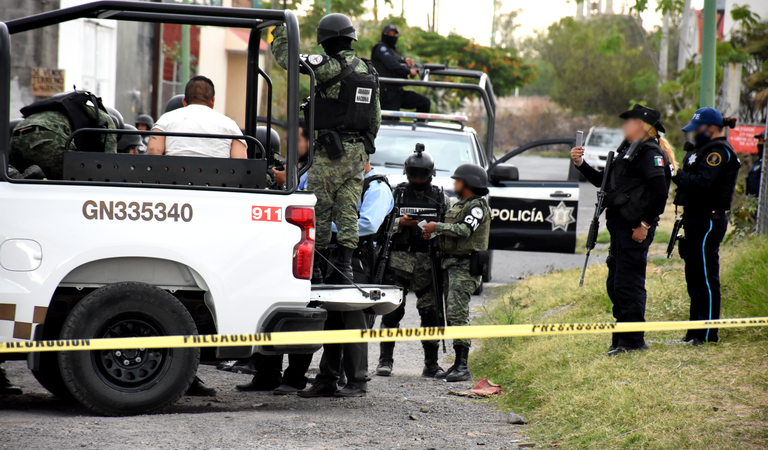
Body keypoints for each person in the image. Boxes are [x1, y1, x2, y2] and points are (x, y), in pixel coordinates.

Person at [272, 13, 381, 286]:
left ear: (326, 41)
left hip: (330, 153)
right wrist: (364, 148)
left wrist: (280, 32)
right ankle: (345, 269)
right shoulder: (369, 70)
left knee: (318, 210)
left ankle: (318, 270)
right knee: (348, 211)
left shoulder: (328, 66)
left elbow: (287, 59)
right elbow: (375, 117)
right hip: (357, 155)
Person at [571, 104, 675, 356]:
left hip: (635, 228)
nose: (623, 126)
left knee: (629, 284)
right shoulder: (629, 151)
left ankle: (632, 342)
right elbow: (604, 182)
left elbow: (660, 192)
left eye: (627, 122)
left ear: (640, 124)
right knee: (617, 283)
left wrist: (645, 225)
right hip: (619, 226)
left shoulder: (650, 153)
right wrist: (581, 163)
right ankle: (620, 340)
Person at [298, 160, 394, 399]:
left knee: (353, 321)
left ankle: (357, 381)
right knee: (331, 320)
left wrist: (324, 227)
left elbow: (369, 224)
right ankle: (327, 380)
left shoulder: (376, 187)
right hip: (334, 256)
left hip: (357, 260)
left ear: (364, 158)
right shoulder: (345, 183)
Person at [375, 147, 450, 379]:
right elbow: (379, 223)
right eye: (413, 176)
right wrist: (400, 223)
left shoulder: (441, 197)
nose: (417, 180)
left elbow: (449, 227)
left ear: (430, 174)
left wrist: (434, 231)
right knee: (392, 311)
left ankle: (431, 364)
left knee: (430, 313)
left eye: (422, 176)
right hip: (398, 261)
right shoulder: (395, 194)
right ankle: (385, 361)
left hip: (428, 263)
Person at [673, 108, 740, 345]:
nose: (694, 134)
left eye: (698, 129)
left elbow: (703, 183)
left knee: (705, 279)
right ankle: (694, 332)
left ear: (711, 128)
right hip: (694, 219)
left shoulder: (719, 152)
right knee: (694, 278)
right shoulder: (702, 149)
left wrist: (675, 173)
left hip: (708, 220)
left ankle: (708, 334)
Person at [421, 164, 490, 381]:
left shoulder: (477, 207)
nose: (454, 183)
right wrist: (434, 234)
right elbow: (452, 232)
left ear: (468, 183)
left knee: (458, 314)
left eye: (458, 180)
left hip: (465, 266)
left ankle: (463, 366)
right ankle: (457, 365)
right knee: (452, 315)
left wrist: (437, 227)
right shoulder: (460, 205)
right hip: (451, 264)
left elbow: (464, 230)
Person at [9, 91, 117, 180]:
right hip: (48, 135)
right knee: (79, 175)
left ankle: (17, 175)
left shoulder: (61, 108)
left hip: (17, 135)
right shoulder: (106, 120)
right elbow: (110, 162)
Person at [147, 76, 247, 159]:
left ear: (184, 101)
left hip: (175, 176)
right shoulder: (230, 124)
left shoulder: (166, 119)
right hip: (217, 177)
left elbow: (153, 150)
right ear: (212, 100)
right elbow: (240, 161)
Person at [371, 24, 430, 114]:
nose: (392, 36)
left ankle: (418, 123)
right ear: (384, 34)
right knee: (392, 120)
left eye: (394, 34)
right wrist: (409, 71)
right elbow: (392, 64)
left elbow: (397, 60)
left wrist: (406, 60)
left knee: (424, 102)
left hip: (398, 91)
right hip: (386, 93)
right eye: (389, 34)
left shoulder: (393, 50)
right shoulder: (380, 48)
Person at [746, 131, 764, 197]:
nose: (760, 143)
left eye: (762, 141)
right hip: (752, 199)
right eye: (759, 141)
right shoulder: (758, 161)